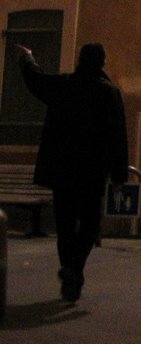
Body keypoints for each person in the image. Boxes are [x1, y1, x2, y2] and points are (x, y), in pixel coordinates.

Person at [16, 42, 129, 302]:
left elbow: (37, 81)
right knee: (90, 225)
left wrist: (28, 59)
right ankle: (74, 268)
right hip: (92, 173)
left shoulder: (65, 85)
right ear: (102, 62)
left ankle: (71, 270)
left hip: (62, 171)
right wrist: (119, 175)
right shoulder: (109, 93)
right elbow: (117, 137)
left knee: (65, 225)